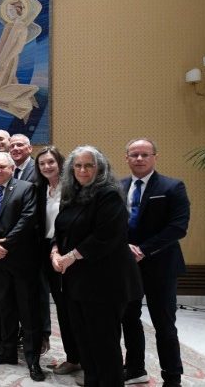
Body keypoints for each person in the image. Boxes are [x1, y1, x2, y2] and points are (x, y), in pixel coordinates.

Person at [51, 145, 143, 386]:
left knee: (104, 344)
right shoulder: (72, 194)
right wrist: (54, 251)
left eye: (89, 165)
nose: (83, 170)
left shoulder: (109, 194)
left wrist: (69, 257)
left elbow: (106, 237)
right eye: (78, 165)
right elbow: (60, 230)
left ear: (99, 168)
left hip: (105, 283)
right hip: (76, 283)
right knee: (85, 342)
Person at [121, 138, 190, 387]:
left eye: (144, 154)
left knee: (164, 324)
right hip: (128, 266)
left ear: (155, 157)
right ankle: (135, 368)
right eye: (134, 154)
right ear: (126, 158)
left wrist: (143, 249)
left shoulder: (172, 186)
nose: (139, 159)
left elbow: (178, 227)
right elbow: (113, 223)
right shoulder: (119, 186)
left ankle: (172, 378)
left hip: (161, 266)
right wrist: (123, 247)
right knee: (128, 318)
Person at [0, 152, 44, 382]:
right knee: (5, 309)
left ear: (12, 169)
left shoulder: (26, 188)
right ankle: (8, 351)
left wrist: (6, 245)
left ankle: (33, 360)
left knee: (28, 311)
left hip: (21, 260)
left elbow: (28, 218)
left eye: (3, 167)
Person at [34, 147, 80, 374]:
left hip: (67, 251)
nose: (46, 167)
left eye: (50, 162)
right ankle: (73, 357)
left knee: (72, 306)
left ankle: (81, 357)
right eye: (42, 163)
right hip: (45, 250)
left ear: (60, 162)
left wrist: (60, 251)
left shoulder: (71, 189)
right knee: (60, 306)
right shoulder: (41, 189)